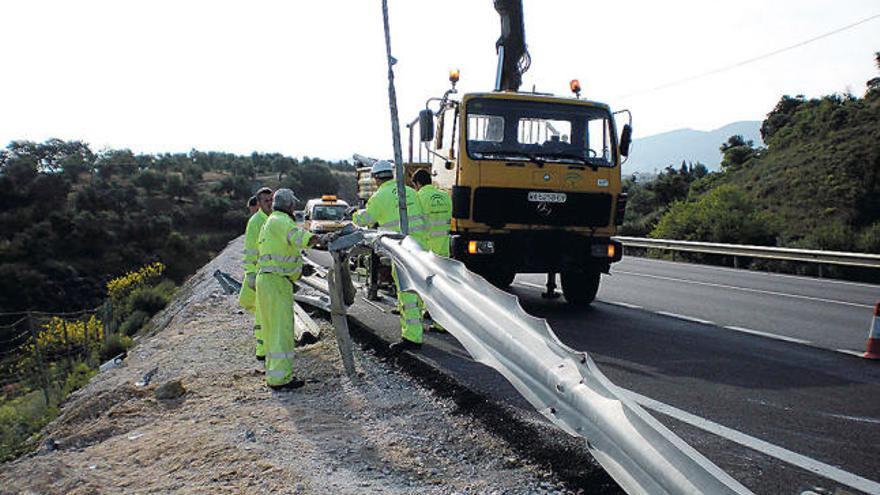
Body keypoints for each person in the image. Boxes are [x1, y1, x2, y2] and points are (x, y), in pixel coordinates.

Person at [353, 160, 429, 351]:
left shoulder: (380, 196)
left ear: (376, 178)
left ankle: (412, 337)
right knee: (418, 291)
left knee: (407, 293)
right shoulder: (409, 191)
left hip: (403, 250)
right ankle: (416, 329)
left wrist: (354, 214)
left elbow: (366, 219)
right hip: (420, 247)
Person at [255, 188, 326, 390]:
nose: (295, 208)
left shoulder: (271, 221)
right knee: (281, 331)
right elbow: (303, 238)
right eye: (293, 205)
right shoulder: (283, 221)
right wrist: (324, 240)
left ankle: (274, 373)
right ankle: (280, 380)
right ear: (289, 206)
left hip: (267, 280)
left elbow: (280, 253)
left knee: (272, 331)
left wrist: (299, 269)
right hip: (276, 283)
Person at [239, 187, 273, 360]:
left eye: (271, 199)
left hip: (273, 275)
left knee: (264, 312)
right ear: (258, 203)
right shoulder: (256, 222)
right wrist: (250, 273)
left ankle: (265, 347)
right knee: (260, 312)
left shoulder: (274, 219)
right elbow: (250, 250)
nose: (269, 203)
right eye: (266, 200)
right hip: (261, 274)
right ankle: (262, 350)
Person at [412, 169, 452, 257]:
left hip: (426, 253)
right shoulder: (445, 196)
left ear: (418, 183)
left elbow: (414, 226)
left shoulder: (417, 198)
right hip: (444, 252)